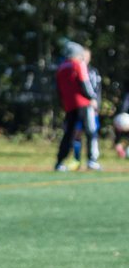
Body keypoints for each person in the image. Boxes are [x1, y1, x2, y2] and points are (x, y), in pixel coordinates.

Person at [54, 42, 98, 172]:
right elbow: (85, 84)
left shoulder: (61, 67)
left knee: (68, 133)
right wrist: (92, 98)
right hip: (83, 104)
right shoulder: (78, 65)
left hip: (69, 106)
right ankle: (92, 160)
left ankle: (59, 162)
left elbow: (58, 90)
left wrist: (63, 103)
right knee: (90, 131)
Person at [72, 49, 102, 170]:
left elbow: (97, 90)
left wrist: (97, 104)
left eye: (86, 56)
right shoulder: (75, 71)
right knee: (76, 133)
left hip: (90, 107)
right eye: (82, 56)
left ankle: (92, 160)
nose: (84, 59)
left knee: (92, 132)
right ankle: (76, 160)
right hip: (78, 107)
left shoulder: (93, 72)